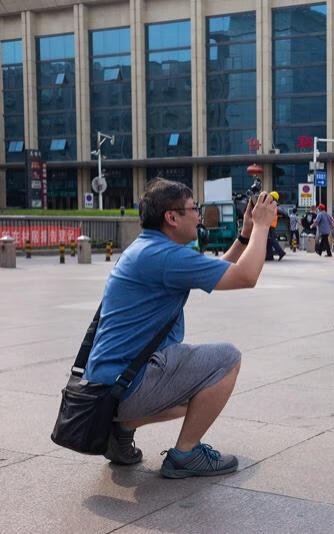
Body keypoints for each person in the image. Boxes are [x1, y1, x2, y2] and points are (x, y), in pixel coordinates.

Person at [84, 178, 277, 477]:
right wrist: (263, 225)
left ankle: (120, 429)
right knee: (227, 359)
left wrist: (244, 237)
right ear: (171, 217)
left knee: (200, 397)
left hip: (110, 387)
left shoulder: (148, 248)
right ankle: (185, 454)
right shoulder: (165, 256)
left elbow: (219, 270)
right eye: (193, 208)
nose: (199, 216)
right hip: (127, 385)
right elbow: (246, 277)